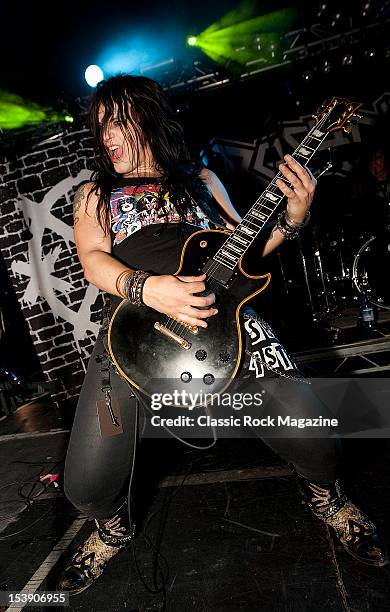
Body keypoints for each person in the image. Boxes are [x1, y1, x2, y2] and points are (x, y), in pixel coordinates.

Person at [58, 75, 388, 596]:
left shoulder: (203, 181)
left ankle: (325, 495)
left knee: (318, 436)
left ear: (149, 118)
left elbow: (248, 251)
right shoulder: (95, 194)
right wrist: (148, 289)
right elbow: (93, 261)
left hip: (233, 328)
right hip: (133, 339)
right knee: (86, 485)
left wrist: (295, 218)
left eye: (117, 121)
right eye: (100, 127)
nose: (107, 136)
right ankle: (111, 525)